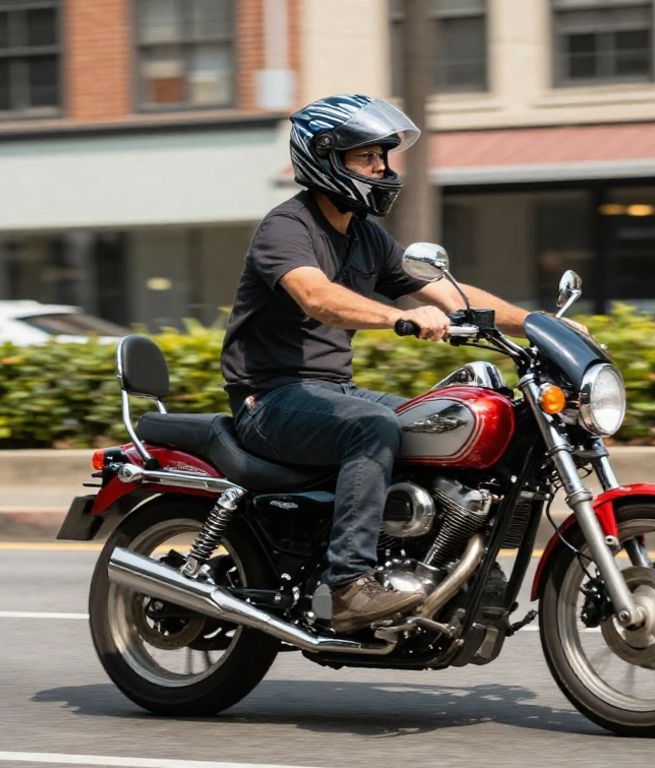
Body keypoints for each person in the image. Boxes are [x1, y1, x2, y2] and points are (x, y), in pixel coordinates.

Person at [219, 94, 536, 634]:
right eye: (368, 158)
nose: (383, 171)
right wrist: (398, 318)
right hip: (268, 399)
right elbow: (317, 297)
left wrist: (536, 324)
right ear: (327, 158)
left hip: (330, 392)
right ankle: (347, 586)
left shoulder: (366, 236)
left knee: (442, 424)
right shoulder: (286, 228)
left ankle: (457, 574)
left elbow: (448, 292)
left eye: (383, 158)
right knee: (374, 427)